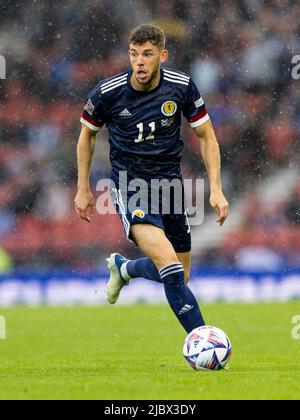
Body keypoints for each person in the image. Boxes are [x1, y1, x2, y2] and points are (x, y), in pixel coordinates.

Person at [75, 24, 229, 333]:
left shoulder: (181, 87)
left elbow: (206, 136)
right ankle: (202, 339)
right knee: (170, 268)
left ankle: (125, 269)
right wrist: (83, 188)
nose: (140, 62)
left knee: (179, 275)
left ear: (162, 55)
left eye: (147, 55)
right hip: (130, 187)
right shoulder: (108, 93)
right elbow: (86, 137)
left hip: (171, 188)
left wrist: (216, 189)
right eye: (134, 55)